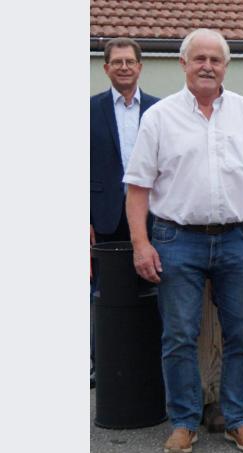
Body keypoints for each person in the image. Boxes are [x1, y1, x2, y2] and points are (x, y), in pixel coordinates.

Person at [123, 28, 243, 453]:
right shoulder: (159, 117)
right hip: (176, 240)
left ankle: (238, 419)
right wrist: (141, 244)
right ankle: (183, 421)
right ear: (183, 63)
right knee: (178, 335)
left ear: (226, 66)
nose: (207, 66)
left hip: (236, 239)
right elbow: (138, 187)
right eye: (200, 59)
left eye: (216, 59)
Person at [90, 37, 159, 388]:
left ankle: (148, 360)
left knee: (154, 286)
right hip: (105, 214)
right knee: (104, 292)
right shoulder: (89, 110)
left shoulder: (161, 110)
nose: (124, 67)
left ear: (140, 66)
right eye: (116, 62)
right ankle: (101, 363)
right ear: (106, 68)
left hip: (152, 215)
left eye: (129, 61)